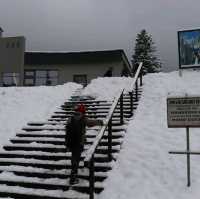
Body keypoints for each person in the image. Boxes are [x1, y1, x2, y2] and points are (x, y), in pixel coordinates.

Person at [65, 103, 103, 185]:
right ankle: (73, 177)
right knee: (76, 158)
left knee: (74, 157)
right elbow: (91, 123)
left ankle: (73, 173)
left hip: (71, 142)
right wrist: (100, 122)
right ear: (83, 111)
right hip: (79, 142)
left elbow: (67, 131)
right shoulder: (83, 118)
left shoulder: (70, 118)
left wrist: (67, 144)